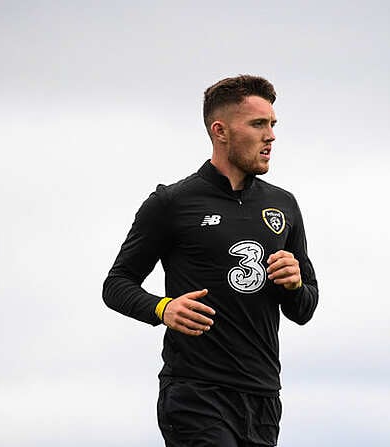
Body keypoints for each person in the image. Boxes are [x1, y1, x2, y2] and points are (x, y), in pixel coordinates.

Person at [103, 74, 319, 446]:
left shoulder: (284, 204)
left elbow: (303, 309)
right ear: (220, 131)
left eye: (272, 124)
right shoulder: (172, 203)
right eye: (257, 124)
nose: (271, 135)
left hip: (262, 397)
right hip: (195, 393)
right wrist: (162, 308)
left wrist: (295, 283)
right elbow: (117, 284)